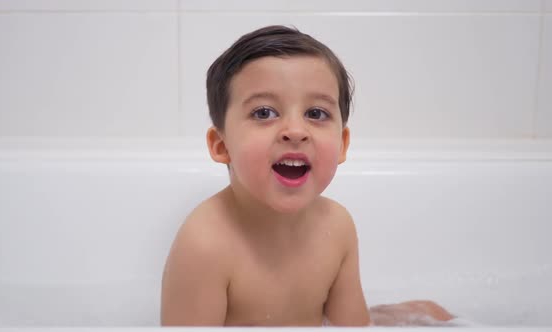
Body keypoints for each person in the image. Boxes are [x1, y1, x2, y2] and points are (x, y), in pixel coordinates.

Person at [161, 25, 454, 326]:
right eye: (264, 113)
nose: (296, 131)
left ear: (342, 144)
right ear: (222, 146)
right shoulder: (205, 244)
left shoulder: (337, 226)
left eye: (316, 113)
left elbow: (352, 327)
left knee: (433, 316)